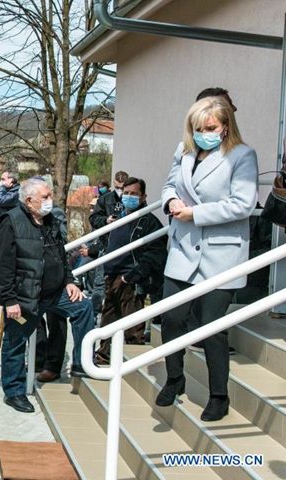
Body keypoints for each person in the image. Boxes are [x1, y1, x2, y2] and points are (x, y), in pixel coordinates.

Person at [156, 97, 257, 422]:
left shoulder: (242, 156)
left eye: (210, 128)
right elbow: (170, 184)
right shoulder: (184, 151)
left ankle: (218, 395)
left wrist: (194, 212)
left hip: (221, 254)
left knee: (212, 328)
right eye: (198, 129)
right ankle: (175, 377)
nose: (203, 134)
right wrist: (171, 200)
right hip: (184, 250)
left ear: (225, 126)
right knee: (170, 319)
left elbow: (243, 204)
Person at [0, 178, 85, 413]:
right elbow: (2, 266)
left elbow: (60, 256)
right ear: (29, 201)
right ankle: (14, 392)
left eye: (50, 196)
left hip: (54, 292)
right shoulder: (11, 222)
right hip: (23, 298)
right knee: (15, 342)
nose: (50, 201)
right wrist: (9, 300)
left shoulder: (50, 221)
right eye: (45, 197)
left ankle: (82, 362)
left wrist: (70, 281)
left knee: (83, 308)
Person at [94, 177, 166, 364]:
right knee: (108, 321)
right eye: (126, 193)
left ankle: (132, 366)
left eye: (134, 194)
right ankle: (103, 360)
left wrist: (132, 276)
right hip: (111, 276)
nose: (129, 197)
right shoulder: (119, 218)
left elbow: (155, 254)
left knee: (132, 328)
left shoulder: (149, 221)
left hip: (130, 280)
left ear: (143, 197)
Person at [34, 205, 95, 382]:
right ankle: (39, 359)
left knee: (62, 317)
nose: (46, 200)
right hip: (31, 288)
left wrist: (69, 281)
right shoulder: (16, 218)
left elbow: (61, 252)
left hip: (55, 284)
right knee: (33, 323)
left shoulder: (54, 216)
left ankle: (61, 365)